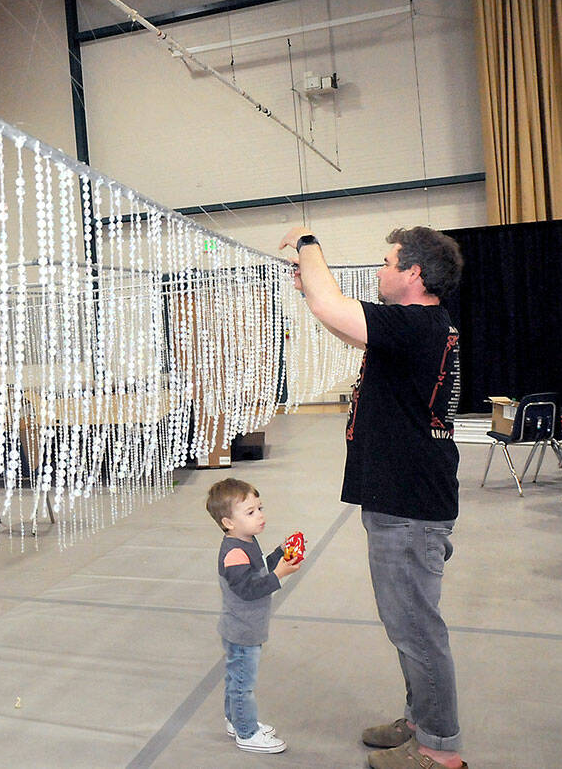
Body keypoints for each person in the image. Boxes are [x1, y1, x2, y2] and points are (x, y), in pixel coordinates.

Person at [280, 225, 466, 769]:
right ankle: (418, 721)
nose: (380, 271)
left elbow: (334, 305)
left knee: (415, 628)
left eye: (387, 262)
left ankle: (439, 749)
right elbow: (342, 321)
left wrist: (308, 244)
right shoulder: (417, 328)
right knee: (406, 624)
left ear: (413, 273)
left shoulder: (417, 325)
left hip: (409, 506)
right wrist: (316, 296)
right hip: (405, 499)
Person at [206, 477, 302, 754]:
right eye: (250, 512)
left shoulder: (247, 541)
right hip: (242, 630)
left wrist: (280, 554)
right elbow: (249, 589)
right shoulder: (234, 552)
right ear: (228, 522)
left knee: (236, 678)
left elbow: (259, 569)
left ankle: (235, 720)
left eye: (259, 508)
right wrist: (279, 576)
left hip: (248, 628)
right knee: (242, 684)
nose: (260, 516)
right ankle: (246, 733)